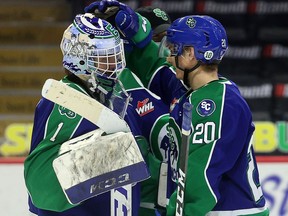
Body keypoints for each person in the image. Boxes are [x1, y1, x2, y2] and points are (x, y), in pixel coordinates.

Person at [85, 1, 269, 215]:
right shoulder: (198, 94)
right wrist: (135, 31)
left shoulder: (215, 104)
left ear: (190, 54)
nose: (169, 56)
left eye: (174, 49)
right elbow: (157, 69)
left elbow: (199, 181)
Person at [24, 12, 172, 216]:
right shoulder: (66, 103)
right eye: (105, 59)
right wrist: (112, 154)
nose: (115, 66)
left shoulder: (115, 96)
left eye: (116, 56)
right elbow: (41, 189)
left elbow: (137, 161)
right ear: (80, 59)